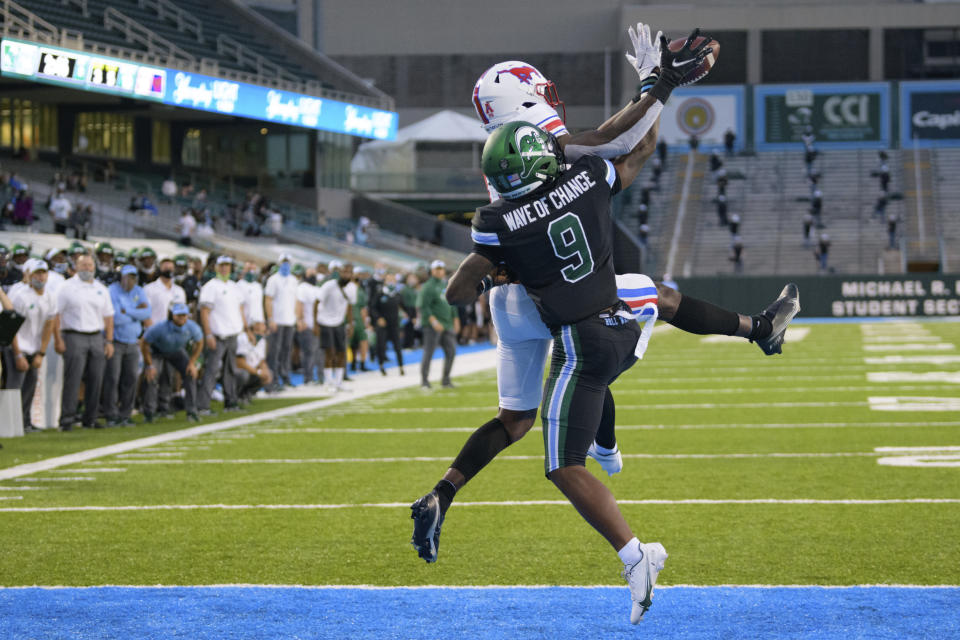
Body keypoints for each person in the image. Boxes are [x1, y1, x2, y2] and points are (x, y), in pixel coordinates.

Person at [410, 29, 800, 621]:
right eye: (537, 92)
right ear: (523, 106)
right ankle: (746, 337)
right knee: (652, 304)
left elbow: (460, 285)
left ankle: (445, 491)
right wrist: (657, 87)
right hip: (577, 303)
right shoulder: (566, 164)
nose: (551, 100)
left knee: (517, 417)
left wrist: (496, 271)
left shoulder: (496, 190)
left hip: (513, 303)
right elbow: (619, 141)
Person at [54, 253, 114, 430]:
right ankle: (67, 419)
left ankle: (90, 417)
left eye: (89, 265)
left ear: (94, 267)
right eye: (83, 265)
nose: (87, 268)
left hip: (96, 335)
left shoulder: (101, 288)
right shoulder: (66, 287)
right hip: (73, 334)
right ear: (76, 267)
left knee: (96, 378)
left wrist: (109, 341)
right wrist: (58, 338)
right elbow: (56, 314)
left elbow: (109, 316)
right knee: (73, 378)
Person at [3, 259, 55, 432]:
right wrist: (18, 354)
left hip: (34, 348)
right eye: (37, 273)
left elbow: (49, 325)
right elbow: (12, 325)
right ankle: (9, 424)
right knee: (14, 387)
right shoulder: (20, 295)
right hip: (18, 346)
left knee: (30, 387)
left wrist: (41, 352)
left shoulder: (49, 296)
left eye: (43, 273)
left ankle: (24, 422)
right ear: (29, 275)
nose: (40, 276)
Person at [197, 256, 248, 415]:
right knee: (211, 370)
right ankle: (203, 405)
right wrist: (208, 334)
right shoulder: (211, 287)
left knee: (230, 370)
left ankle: (230, 402)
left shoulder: (234, 286)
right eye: (222, 266)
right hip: (217, 335)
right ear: (216, 267)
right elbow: (204, 312)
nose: (225, 268)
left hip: (232, 334)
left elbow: (239, 309)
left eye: (227, 265)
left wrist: (245, 328)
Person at [103, 265, 151, 426]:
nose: (130, 280)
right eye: (127, 277)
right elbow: (116, 317)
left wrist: (127, 310)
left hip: (133, 341)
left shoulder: (139, 291)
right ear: (120, 277)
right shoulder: (112, 291)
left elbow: (147, 313)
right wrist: (135, 312)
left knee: (130, 378)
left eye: (133, 277)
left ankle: (125, 414)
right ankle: (111, 414)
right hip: (116, 340)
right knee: (113, 378)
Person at [142, 303, 202, 422]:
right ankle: (149, 413)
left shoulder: (192, 327)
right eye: (178, 315)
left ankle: (192, 411)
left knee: (190, 373)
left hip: (176, 350)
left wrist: (192, 363)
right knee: (152, 376)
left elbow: (199, 343)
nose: (182, 318)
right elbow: (144, 343)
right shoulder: (159, 328)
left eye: (184, 315)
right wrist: (149, 365)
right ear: (172, 316)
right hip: (156, 350)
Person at [315, 262, 356, 391]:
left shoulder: (352, 288)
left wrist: (350, 324)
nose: (346, 274)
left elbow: (350, 307)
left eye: (349, 272)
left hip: (339, 322)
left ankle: (338, 382)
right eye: (344, 272)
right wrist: (316, 323)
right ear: (340, 272)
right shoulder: (329, 286)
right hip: (325, 321)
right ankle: (328, 382)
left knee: (341, 352)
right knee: (330, 352)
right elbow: (317, 302)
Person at [418, 260, 458, 389]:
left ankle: (446, 380)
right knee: (429, 353)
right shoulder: (428, 286)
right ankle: (424, 381)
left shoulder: (446, 284)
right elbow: (423, 307)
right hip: (432, 326)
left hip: (447, 324)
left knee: (451, 352)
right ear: (432, 271)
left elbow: (451, 303)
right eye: (437, 269)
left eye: (441, 269)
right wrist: (434, 321)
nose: (440, 271)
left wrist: (455, 319)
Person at [264, 253, 299, 387]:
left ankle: (285, 376)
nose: (286, 264)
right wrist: (270, 318)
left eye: (287, 262)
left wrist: (296, 317)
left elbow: (295, 300)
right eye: (283, 262)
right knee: (274, 352)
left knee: (286, 350)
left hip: (289, 321)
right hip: (277, 321)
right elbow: (268, 299)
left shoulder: (293, 280)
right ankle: (273, 380)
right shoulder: (273, 279)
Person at [369, 271, 405, 376]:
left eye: (393, 280)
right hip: (382, 324)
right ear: (385, 281)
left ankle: (401, 367)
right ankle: (381, 366)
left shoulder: (397, 295)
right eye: (389, 280)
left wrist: (411, 316)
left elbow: (405, 307)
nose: (391, 282)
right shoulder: (379, 294)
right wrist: (378, 318)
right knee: (381, 345)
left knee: (398, 346)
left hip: (394, 324)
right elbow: (373, 308)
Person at [294, 265, 320, 384]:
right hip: (307, 324)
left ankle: (314, 376)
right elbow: (299, 304)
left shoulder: (316, 288)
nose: (313, 276)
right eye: (311, 273)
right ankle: (308, 378)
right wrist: (300, 320)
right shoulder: (303, 287)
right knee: (308, 352)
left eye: (314, 273)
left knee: (315, 352)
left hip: (317, 325)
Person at [144, 258, 187, 328]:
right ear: (159, 269)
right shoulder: (149, 289)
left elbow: (182, 314)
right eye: (165, 268)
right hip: (154, 332)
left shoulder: (180, 291)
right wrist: (152, 332)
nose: (169, 270)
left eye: (171, 268)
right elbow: (145, 314)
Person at [235, 326, 272, 404]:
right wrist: (258, 372)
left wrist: (265, 371)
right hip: (239, 370)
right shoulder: (243, 339)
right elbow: (239, 362)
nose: (260, 334)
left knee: (269, 374)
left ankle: (247, 394)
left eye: (262, 332)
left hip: (252, 370)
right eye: (257, 331)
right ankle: (235, 394)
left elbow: (262, 360)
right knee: (243, 375)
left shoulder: (262, 341)